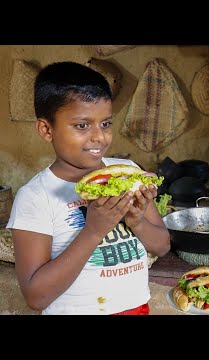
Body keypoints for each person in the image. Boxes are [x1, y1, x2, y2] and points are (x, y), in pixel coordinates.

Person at [6, 61, 171, 315]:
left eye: (105, 123)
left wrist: (136, 221)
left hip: (137, 310)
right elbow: (35, 296)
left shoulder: (126, 172)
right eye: (82, 125)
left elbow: (162, 246)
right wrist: (93, 231)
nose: (99, 137)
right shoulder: (35, 196)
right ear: (46, 129)